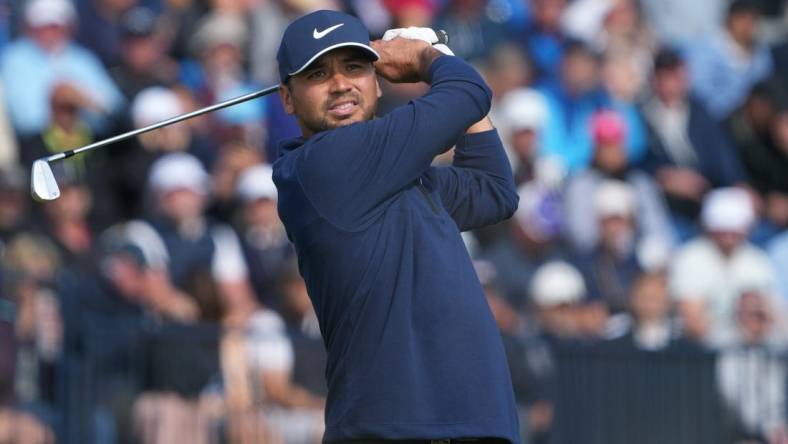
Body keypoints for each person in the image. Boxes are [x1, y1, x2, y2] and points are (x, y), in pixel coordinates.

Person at [272, 10, 519, 442]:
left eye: (354, 67)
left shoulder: (397, 175)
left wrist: (439, 57)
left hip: (473, 427)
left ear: (378, 79)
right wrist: (428, 57)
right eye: (317, 74)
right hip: (391, 431)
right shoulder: (322, 166)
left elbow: (492, 189)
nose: (340, 84)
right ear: (288, 98)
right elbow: (467, 90)